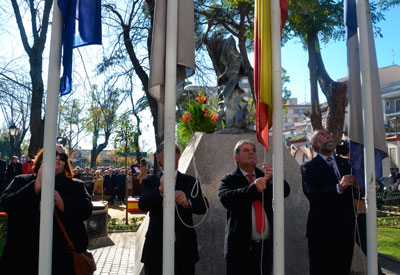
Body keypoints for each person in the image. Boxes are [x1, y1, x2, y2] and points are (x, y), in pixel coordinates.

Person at [0, 145, 93, 274]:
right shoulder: (21, 180)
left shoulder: (76, 185)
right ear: (41, 159)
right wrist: (36, 185)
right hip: (23, 258)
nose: (57, 158)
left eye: (62, 156)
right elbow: (7, 204)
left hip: (62, 261)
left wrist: (61, 202)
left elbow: (86, 210)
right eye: (53, 154)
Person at [219, 140, 290, 275]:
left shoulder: (266, 177)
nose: (251, 152)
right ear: (236, 158)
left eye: (253, 150)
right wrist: (253, 189)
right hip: (239, 250)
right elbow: (226, 200)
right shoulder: (228, 179)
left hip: (265, 248)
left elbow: (285, 192)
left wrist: (275, 177)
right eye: (246, 150)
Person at [139, 142, 208, 275]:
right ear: (158, 157)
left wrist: (188, 202)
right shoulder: (150, 181)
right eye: (168, 150)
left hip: (184, 250)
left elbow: (203, 207)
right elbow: (143, 205)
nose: (173, 154)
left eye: (176, 151)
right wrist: (159, 190)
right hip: (156, 249)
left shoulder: (190, 181)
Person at [301, 129, 358, 275]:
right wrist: (339, 187)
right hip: (322, 231)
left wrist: (359, 186)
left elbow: (354, 194)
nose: (328, 136)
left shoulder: (346, 163)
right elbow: (312, 194)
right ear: (314, 144)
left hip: (346, 229)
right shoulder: (308, 167)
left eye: (328, 134)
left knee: (343, 269)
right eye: (322, 135)